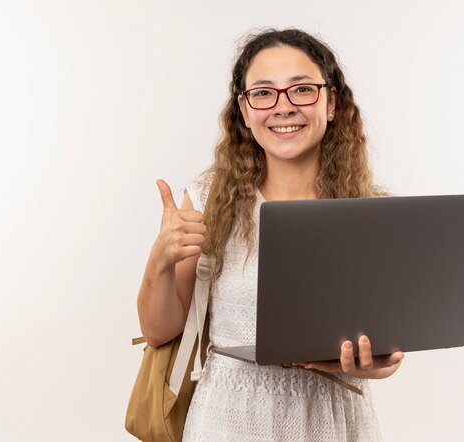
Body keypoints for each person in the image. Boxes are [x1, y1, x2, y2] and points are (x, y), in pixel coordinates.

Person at [137, 28, 405, 441]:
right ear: (244, 111)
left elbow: (389, 354)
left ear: (331, 103)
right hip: (229, 418)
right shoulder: (208, 200)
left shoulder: (372, 209)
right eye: (263, 93)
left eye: (301, 89)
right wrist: (159, 260)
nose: (283, 107)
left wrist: (373, 363)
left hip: (336, 419)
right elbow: (159, 332)